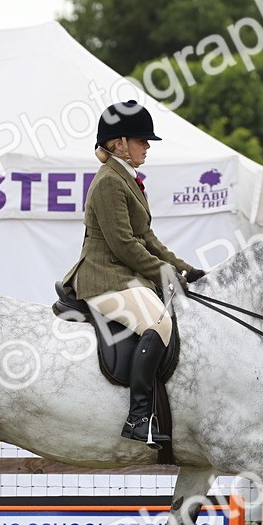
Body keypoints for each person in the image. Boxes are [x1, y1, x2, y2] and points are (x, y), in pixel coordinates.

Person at [60, 101, 205, 447]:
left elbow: (147, 238)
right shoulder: (109, 182)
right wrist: (163, 274)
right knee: (159, 323)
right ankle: (139, 417)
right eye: (141, 140)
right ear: (119, 143)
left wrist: (183, 267)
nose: (147, 146)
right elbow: (123, 244)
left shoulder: (127, 179)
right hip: (103, 276)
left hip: (124, 275)